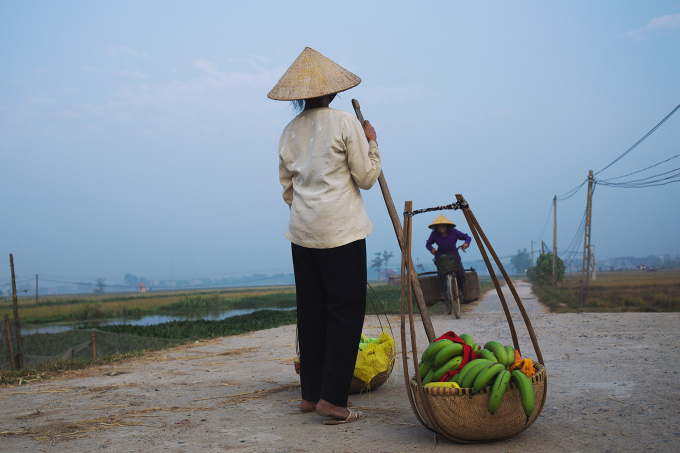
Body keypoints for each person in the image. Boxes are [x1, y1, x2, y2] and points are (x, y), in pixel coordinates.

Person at [268, 48, 381, 425]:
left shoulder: (289, 131)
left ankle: (310, 395)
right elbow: (366, 177)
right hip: (341, 232)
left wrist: (307, 209)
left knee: (313, 311)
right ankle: (332, 400)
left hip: (302, 233)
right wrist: (373, 142)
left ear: (301, 95)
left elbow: (288, 190)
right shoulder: (346, 123)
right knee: (345, 313)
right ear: (331, 92)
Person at [425, 214, 472, 300]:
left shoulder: (454, 232)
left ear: (447, 226)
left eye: (443, 225)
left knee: (461, 274)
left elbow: (467, 237)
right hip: (441, 258)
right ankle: (443, 293)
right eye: (439, 226)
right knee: (441, 275)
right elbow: (428, 244)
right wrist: (433, 250)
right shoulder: (434, 234)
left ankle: (460, 291)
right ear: (436, 227)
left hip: (454, 257)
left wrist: (466, 243)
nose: (442, 227)